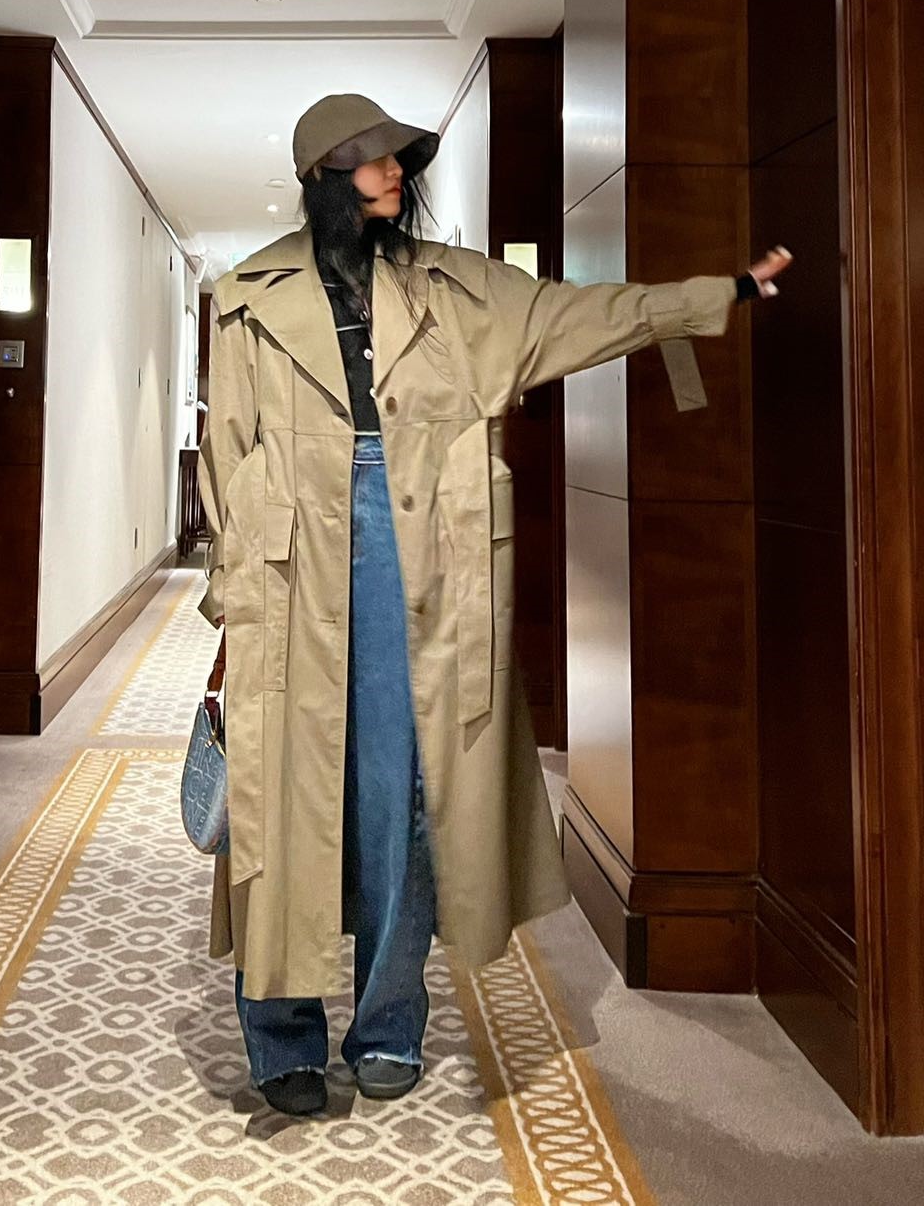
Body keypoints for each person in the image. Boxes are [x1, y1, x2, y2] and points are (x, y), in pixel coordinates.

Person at [196, 93, 790, 1118]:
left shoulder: (462, 290)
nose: (395, 171)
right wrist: (229, 596)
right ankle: (280, 1035)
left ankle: (387, 1022)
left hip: (426, 547)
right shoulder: (247, 297)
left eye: (400, 157)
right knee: (282, 796)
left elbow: (580, 314)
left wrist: (719, 289)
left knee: (402, 793)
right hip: (290, 558)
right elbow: (227, 453)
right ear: (326, 175)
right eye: (373, 158)